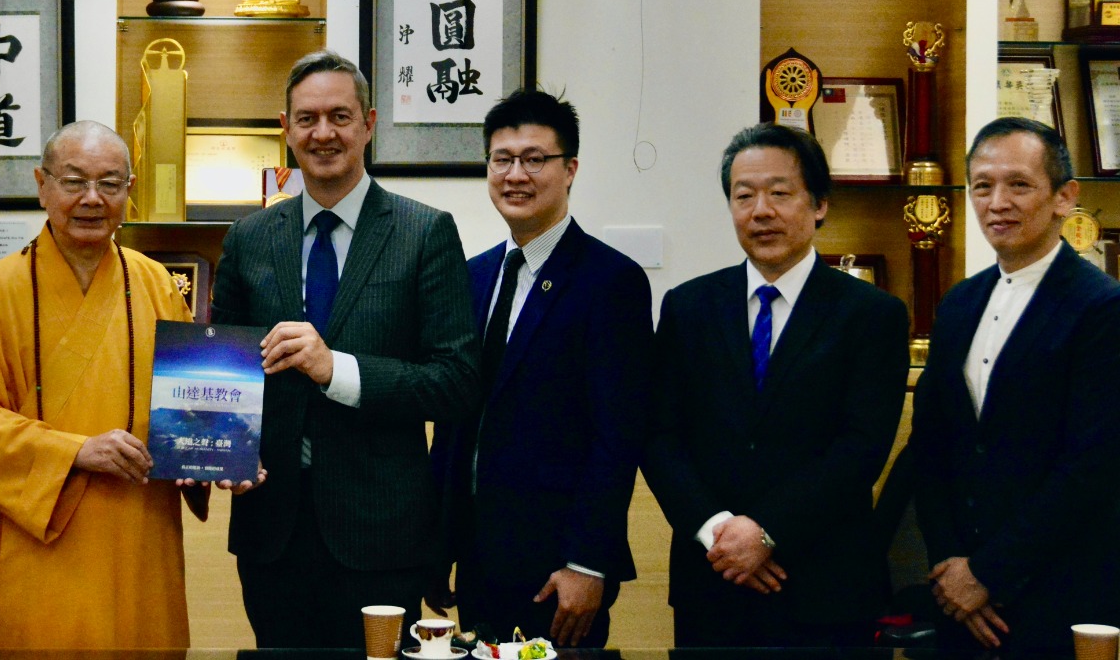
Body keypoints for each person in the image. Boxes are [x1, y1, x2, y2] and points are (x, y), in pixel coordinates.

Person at [211, 49, 481, 648]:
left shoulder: (424, 232)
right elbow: (224, 367)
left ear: (369, 123)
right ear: (285, 130)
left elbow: (457, 382)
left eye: (339, 115)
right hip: (270, 529)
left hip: (381, 534)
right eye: (306, 118)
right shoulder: (250, 238)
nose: (323, 132)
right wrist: (223, 452)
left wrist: (338, 370)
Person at [0, 121, 204, 649]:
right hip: (40, 539)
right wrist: (76, 451)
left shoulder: (160, 285)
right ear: (42, 184)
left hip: (138, 536)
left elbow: (192, 404)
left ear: (130, 190)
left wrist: (220, 454)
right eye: (73, 181)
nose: (91, 198)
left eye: (109, 183)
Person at [642, 123, 909, 647]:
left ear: (820, 205)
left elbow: (862, 447)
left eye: (780, 193)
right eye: (744, 196)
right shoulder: (688, 307)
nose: (760, 210)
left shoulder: (871, 315)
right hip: (712, 580)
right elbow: (658, 434)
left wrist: (764, 532)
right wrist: (719, 531)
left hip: (824, 584)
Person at [428, 90, 654, 647]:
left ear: (570, 168)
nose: (515, 175)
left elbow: (616, 436)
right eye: (501, 159)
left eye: (535, 159)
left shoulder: (611, 282)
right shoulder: (474, 275)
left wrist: (589, 562)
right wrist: (437, 545)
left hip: (559, 568)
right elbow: (458, 421)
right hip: (477, 555)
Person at [912, 117, 1120, 651]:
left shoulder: (1101, 308)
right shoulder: (959, 302)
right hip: (956, 597)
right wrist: (951, 570)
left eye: (1019, 184)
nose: (997, 201)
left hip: (1057, 592)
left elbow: (1091, 466)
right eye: (983, 185)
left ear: (1064, 197)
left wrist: (989, 574)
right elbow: (931, 445)